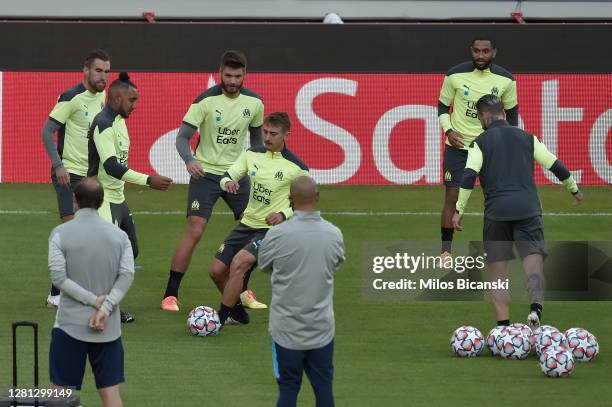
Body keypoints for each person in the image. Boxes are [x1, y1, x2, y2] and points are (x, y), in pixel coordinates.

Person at [451, 95, 583, 328]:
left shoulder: (479, 143)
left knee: (498, 275)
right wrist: (573, 189)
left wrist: (459, 210)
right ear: (503, 113)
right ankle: (535, 310)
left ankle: (503, 329)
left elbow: (469, 175)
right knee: (533, 265)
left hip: (496, 214)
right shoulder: (527, 138)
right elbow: (554, 164)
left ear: (483, 116)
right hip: (528, 210)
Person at [161, 50, 266, 312]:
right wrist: (189, 160)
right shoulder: (205, 101)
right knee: (195, 229)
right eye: (228, 75)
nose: (232, 81)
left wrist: (253, 169)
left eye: (237, 76)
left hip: (236, 176)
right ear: (220, 73)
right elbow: (182, 138)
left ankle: (242, 290)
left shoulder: (254, 103)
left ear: (245, 75)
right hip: (205, 174)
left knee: (253, 226)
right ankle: (170, 294)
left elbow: (257, 143)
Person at [88, 72, 173, 323]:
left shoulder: (119, 120)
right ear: (115, 98)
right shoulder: (103, 122)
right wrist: (149, 180)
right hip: (102, 200)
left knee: (130, 251)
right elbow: (112, 166)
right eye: (131, 99)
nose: (135, 105)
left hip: (119, 199)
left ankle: (103, 303)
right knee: (108, 258)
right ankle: (104, 309)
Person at [210, 112, 309, 326]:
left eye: (273, 133)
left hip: (272, 230)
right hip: (247, 224)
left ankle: (219, 319)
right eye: (265, 132)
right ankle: (238, 313)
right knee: (216, 271)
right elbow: (227, 176)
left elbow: (304, 203)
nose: (267, 137)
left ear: (286, 135)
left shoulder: (297, 168)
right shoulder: (251, 154)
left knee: (239, 263)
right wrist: (227, 184)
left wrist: (283, 214)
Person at [258, 176, 345, 407]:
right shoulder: (333, 234)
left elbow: (264, 265)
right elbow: (335, 264)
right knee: (324, 390)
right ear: (317, 197)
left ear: (289, 200)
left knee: (288, 389)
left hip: (285, 329)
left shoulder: (276, 235)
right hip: (321, 329)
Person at [48, 177, 134, 407]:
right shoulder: (120, 236)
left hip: (69, 326)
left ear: (74, 200)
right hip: (109, 329)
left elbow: (58, 278)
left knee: (60, 397)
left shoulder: (59, 233)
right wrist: (105, 307)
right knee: (112, 397)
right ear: (102, 200)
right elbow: (126, 274)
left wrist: (93, 301)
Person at [41, 49, 111, 308]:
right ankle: (57, 295)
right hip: (68, 174)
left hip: (91, 176)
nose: (103, 76)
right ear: (86, 70)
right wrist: (58, 165)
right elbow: (47, 132)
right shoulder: (71, 97)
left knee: (87, 237)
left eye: (106, 71)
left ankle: (70, 293)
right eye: (98, 70)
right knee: (75, 236)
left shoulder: (103, 96)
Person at [438, 38, 519, 259]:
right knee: (452, 196)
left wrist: (506, 145)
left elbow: (512, 118)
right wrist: (449, 131)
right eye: (476, 51)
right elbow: (443, 106)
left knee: (494, 198)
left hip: (490, 149)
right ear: (471, 51)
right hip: (458, 147)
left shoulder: (506, 80)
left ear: (494, 52)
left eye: (485, 51)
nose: (480, 56)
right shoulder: (454, 75)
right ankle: (446, 251)